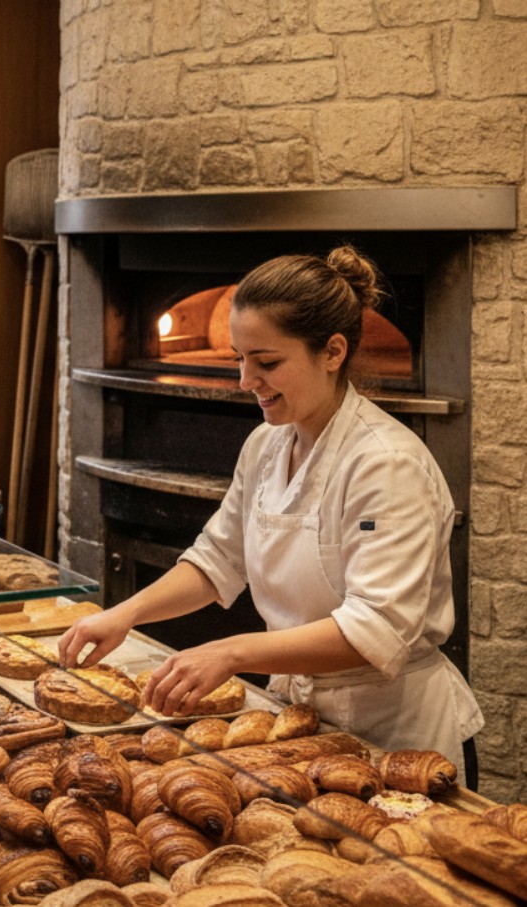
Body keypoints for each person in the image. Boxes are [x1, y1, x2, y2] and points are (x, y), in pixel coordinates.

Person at [57, 246, 483, 775]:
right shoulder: (266, 444)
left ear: (332, 352)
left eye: (267, 362)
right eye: (239, 358)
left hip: (398, 736)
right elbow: (218, 560)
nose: (244, 380)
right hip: (301, 723)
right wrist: (124, 613)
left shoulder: (387, 464)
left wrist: (231, 653)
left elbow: (375, 628)